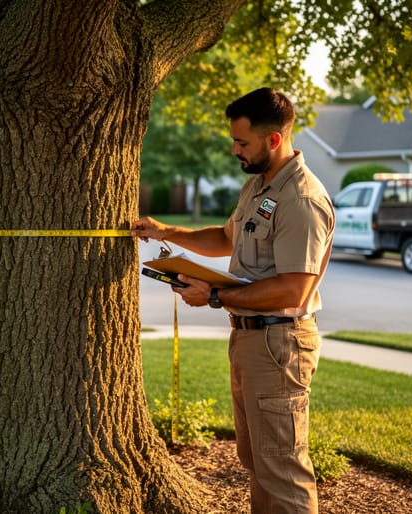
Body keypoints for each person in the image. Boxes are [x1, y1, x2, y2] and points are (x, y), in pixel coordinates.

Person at [132, 87, 334, 513]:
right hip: (250, 340)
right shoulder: (259, 188)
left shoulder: (301, 199)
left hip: (279, 344)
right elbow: (226, 239)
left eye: (242, 142)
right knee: (259, 463)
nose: (234, 150)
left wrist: (216, 295)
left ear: (274, 139)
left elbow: (294, 288)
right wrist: (166, 232)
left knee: (283, 470)